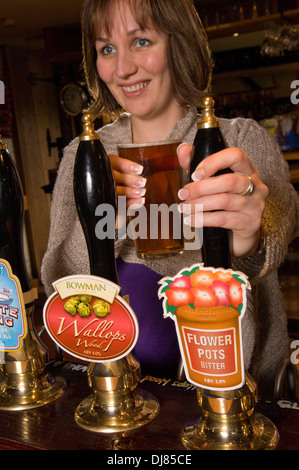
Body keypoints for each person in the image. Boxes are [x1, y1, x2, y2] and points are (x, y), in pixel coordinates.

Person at [41, 0, 299, 395]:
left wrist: (246, 239)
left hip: (238, 392)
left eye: (141, 41)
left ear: (180, 45)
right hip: (117, 392)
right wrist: (102, 225)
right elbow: (59, 281)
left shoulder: (238, 139)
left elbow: (278, 226)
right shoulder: (85, 152)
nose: (123, 68)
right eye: (107, 49)